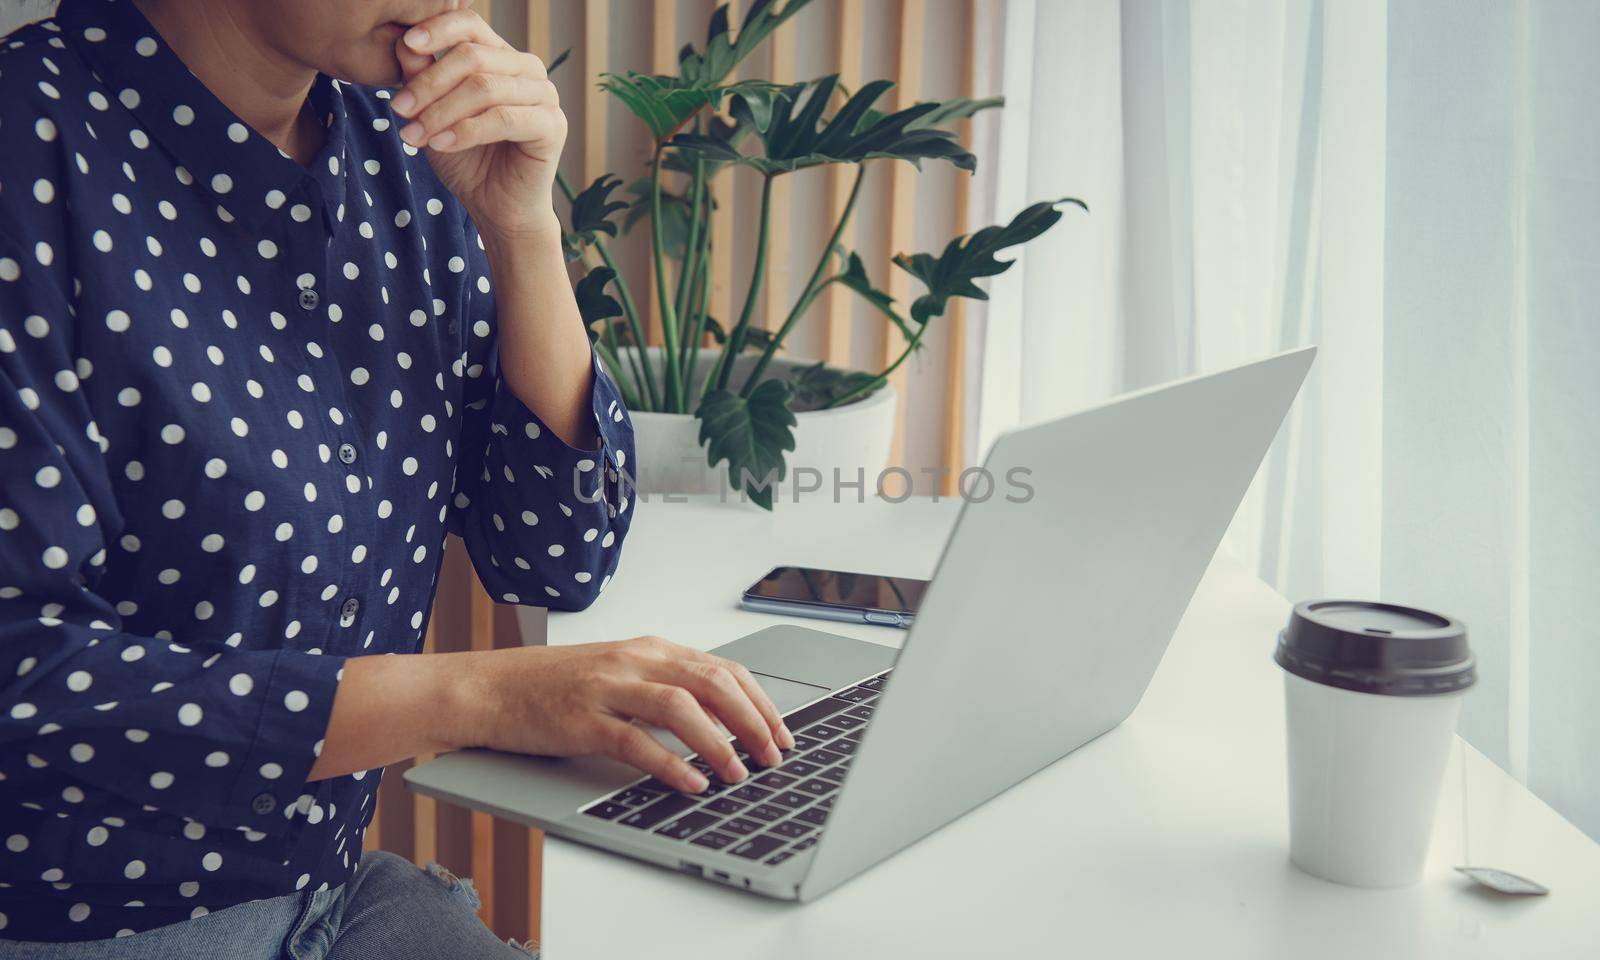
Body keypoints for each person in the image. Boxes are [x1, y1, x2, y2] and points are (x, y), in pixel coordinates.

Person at [0, 1, 793, 955]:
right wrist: (486, 698)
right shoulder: (29, 146)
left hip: (328, 893)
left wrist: (523, 228)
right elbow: (24, 679)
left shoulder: (395, 147)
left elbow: (557, 555)